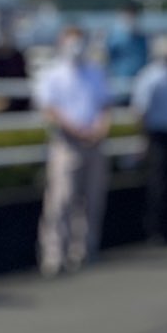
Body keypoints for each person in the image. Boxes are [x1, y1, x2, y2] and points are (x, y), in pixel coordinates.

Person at [35, 23, 110, 275]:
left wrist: (99, 128)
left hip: (95, 143)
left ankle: (85, 249)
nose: (76, 47)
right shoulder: (53, 74)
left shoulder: (95, 72)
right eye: (71, 41)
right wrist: (77, 130)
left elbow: (104, 105)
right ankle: (54, 254)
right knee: (61, 199)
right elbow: (50, 109)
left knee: (92, 198)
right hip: (66, 143)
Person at [131, 36, 167, 244]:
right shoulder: (152, 76)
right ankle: (156, 230)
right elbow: (140, 109)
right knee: (158, 184)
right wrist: (143, 137)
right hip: (156, 134)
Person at [106, 2, 149, 82]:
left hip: (138, 79)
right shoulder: (115, 36)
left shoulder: (141, 36)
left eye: (134, 14)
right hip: (119, 78)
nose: (131, 18)